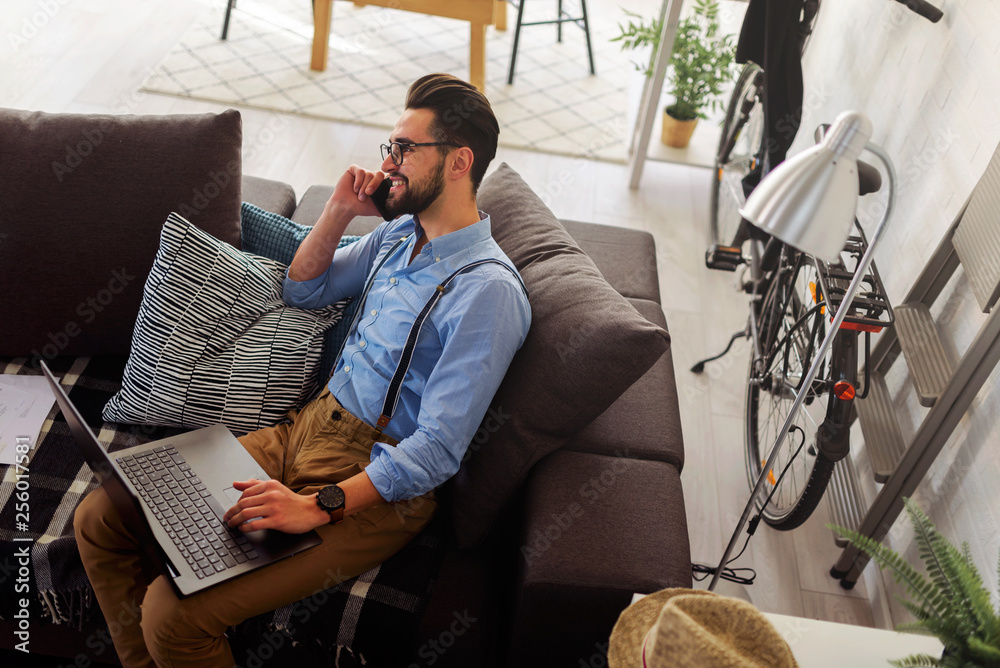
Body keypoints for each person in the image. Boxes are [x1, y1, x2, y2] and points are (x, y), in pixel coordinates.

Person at [73, 73, 531, 667]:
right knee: (100, 515)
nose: (387, 163)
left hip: (376, 480)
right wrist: (341, 209)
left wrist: (319, 506)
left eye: (402, 150)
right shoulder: (397, 237)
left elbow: (438, 451)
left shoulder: (487, 293)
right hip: (304, 428)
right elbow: (303, 288)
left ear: (458, 161)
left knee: (171, 613)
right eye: (387, 147)